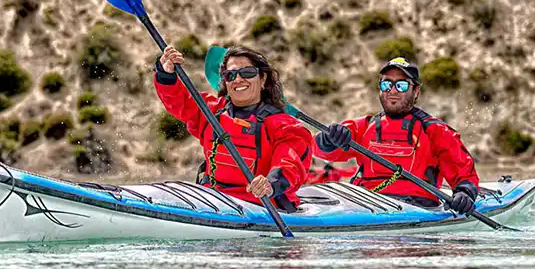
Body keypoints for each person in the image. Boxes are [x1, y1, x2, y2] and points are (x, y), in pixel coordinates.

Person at [154, 44, 313, 212]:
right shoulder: (211, 111)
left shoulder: (286, 126)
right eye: (230, 75)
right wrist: (166, 73)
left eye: (247, 73)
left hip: (261, 205)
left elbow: (290, 163)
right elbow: (179, 100)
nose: (238, 80)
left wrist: (270, 183)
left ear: (263, 79)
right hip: (213, 199)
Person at [312, 57, 479, 213]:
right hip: (366, 205)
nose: (392, 91)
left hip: (418, 209)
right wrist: (328, 139)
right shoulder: (363, 127)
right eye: (386, 85)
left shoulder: (436, 131)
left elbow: (464, 172)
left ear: (416, 91)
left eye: (401, 85)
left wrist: (464, 193)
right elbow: (318, 150)